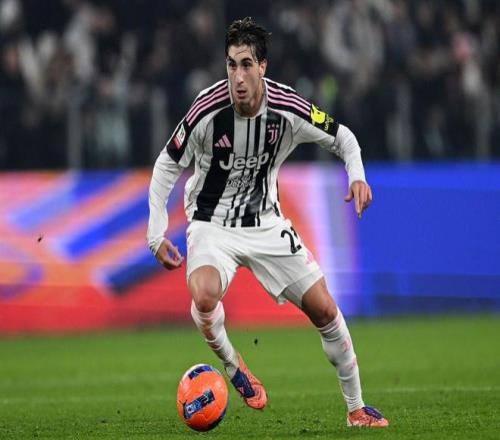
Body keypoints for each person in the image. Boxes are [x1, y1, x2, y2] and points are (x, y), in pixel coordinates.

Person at [147, 17, 389, 428]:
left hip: (266, 223)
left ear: (263, 66)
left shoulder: (288, 108)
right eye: (231, 65)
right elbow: (166, 164)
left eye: (246, 65)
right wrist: (156, 235)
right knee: (203, 295)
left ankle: (356, 409)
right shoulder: (207, 108)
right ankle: (233, 365)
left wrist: (358, 175)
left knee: (325, 310)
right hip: (211, 223)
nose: (237, 77)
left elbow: (343, 137)